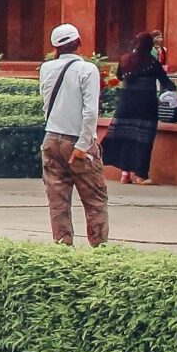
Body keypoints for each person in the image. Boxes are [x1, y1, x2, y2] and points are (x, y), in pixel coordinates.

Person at [40, 23, 106, 246]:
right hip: (76, 140)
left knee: (58, 201)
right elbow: (90, 112)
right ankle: (99, 252)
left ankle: (62, 248)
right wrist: (83, 144)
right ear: (79, 43)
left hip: (51, 138)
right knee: (95, 200)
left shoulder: (46, 68)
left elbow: (45, 103)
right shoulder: (88, 70)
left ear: (55, 47)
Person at [106, 33, 177, 184]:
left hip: (126, 104)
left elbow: (120, 76)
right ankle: (141, 175)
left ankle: (125, 174)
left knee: (125, 137)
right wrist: (176, 95)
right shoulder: (152, 62)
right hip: (146, 105)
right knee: (144, 140)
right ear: (150, 45)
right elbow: (165, 81)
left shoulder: (125, 59)